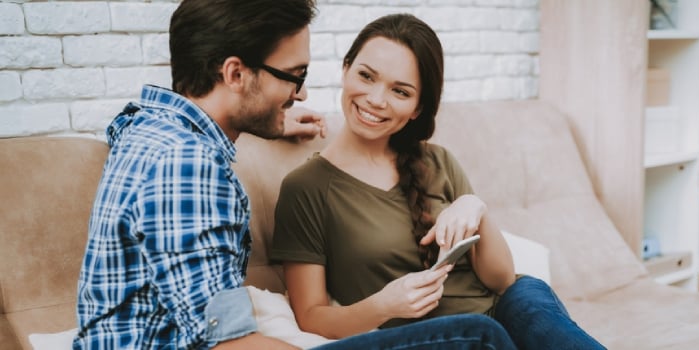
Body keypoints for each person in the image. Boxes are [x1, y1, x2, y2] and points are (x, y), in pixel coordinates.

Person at [73, 0, 518, 349]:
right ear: (235, 73)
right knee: (478, 337)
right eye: (293, 76)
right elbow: (223, 342)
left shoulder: (150, 128)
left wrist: (265, 117)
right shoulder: (187, 168)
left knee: (521, 299)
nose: (301, 93)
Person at [271, 13, 607, 350]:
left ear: (417, 108)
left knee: (529, 301)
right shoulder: (307, 188)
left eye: (400, 91)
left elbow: (502, 280)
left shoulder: (437, 161)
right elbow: (311, 317)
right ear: (345, 69)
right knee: (482, 333)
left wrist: (474, 207)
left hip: (508, 308)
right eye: (366, 76)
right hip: (453, 338)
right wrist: (383, 305)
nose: (376, 99)